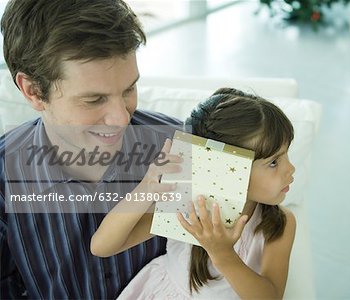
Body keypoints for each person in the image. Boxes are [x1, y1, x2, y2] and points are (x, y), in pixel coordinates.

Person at [0, 0, 183, 298]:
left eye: (128, 90)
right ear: (33, 91)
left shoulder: (180, 146)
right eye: (94, 100)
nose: (121, 118)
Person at [91, 88, 297, 299]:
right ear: (226, 167)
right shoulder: (186, 204)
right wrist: (147, 187)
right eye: (274, 162)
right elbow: (102, 246)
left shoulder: (280, 222)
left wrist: (222, 253)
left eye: (286, 155)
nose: (291, 169)